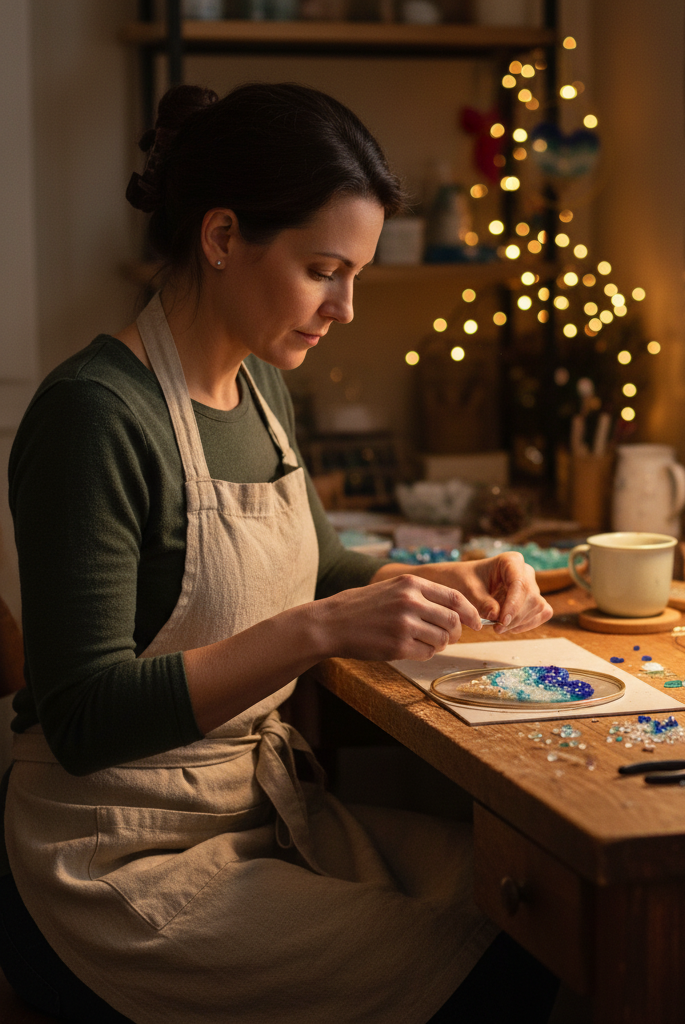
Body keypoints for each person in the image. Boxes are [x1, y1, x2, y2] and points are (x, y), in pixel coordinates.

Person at [1, 82, 556, 1024]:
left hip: (254, 811)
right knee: (491, 970)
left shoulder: (261, 386)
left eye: (357, 275)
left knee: (540, 904)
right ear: (222, 238)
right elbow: (83, 718)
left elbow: (323, 565)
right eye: (323, 270)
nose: (344, 308)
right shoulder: (93, 417)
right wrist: (318, 629)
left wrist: (440, 583)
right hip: (113, 857)